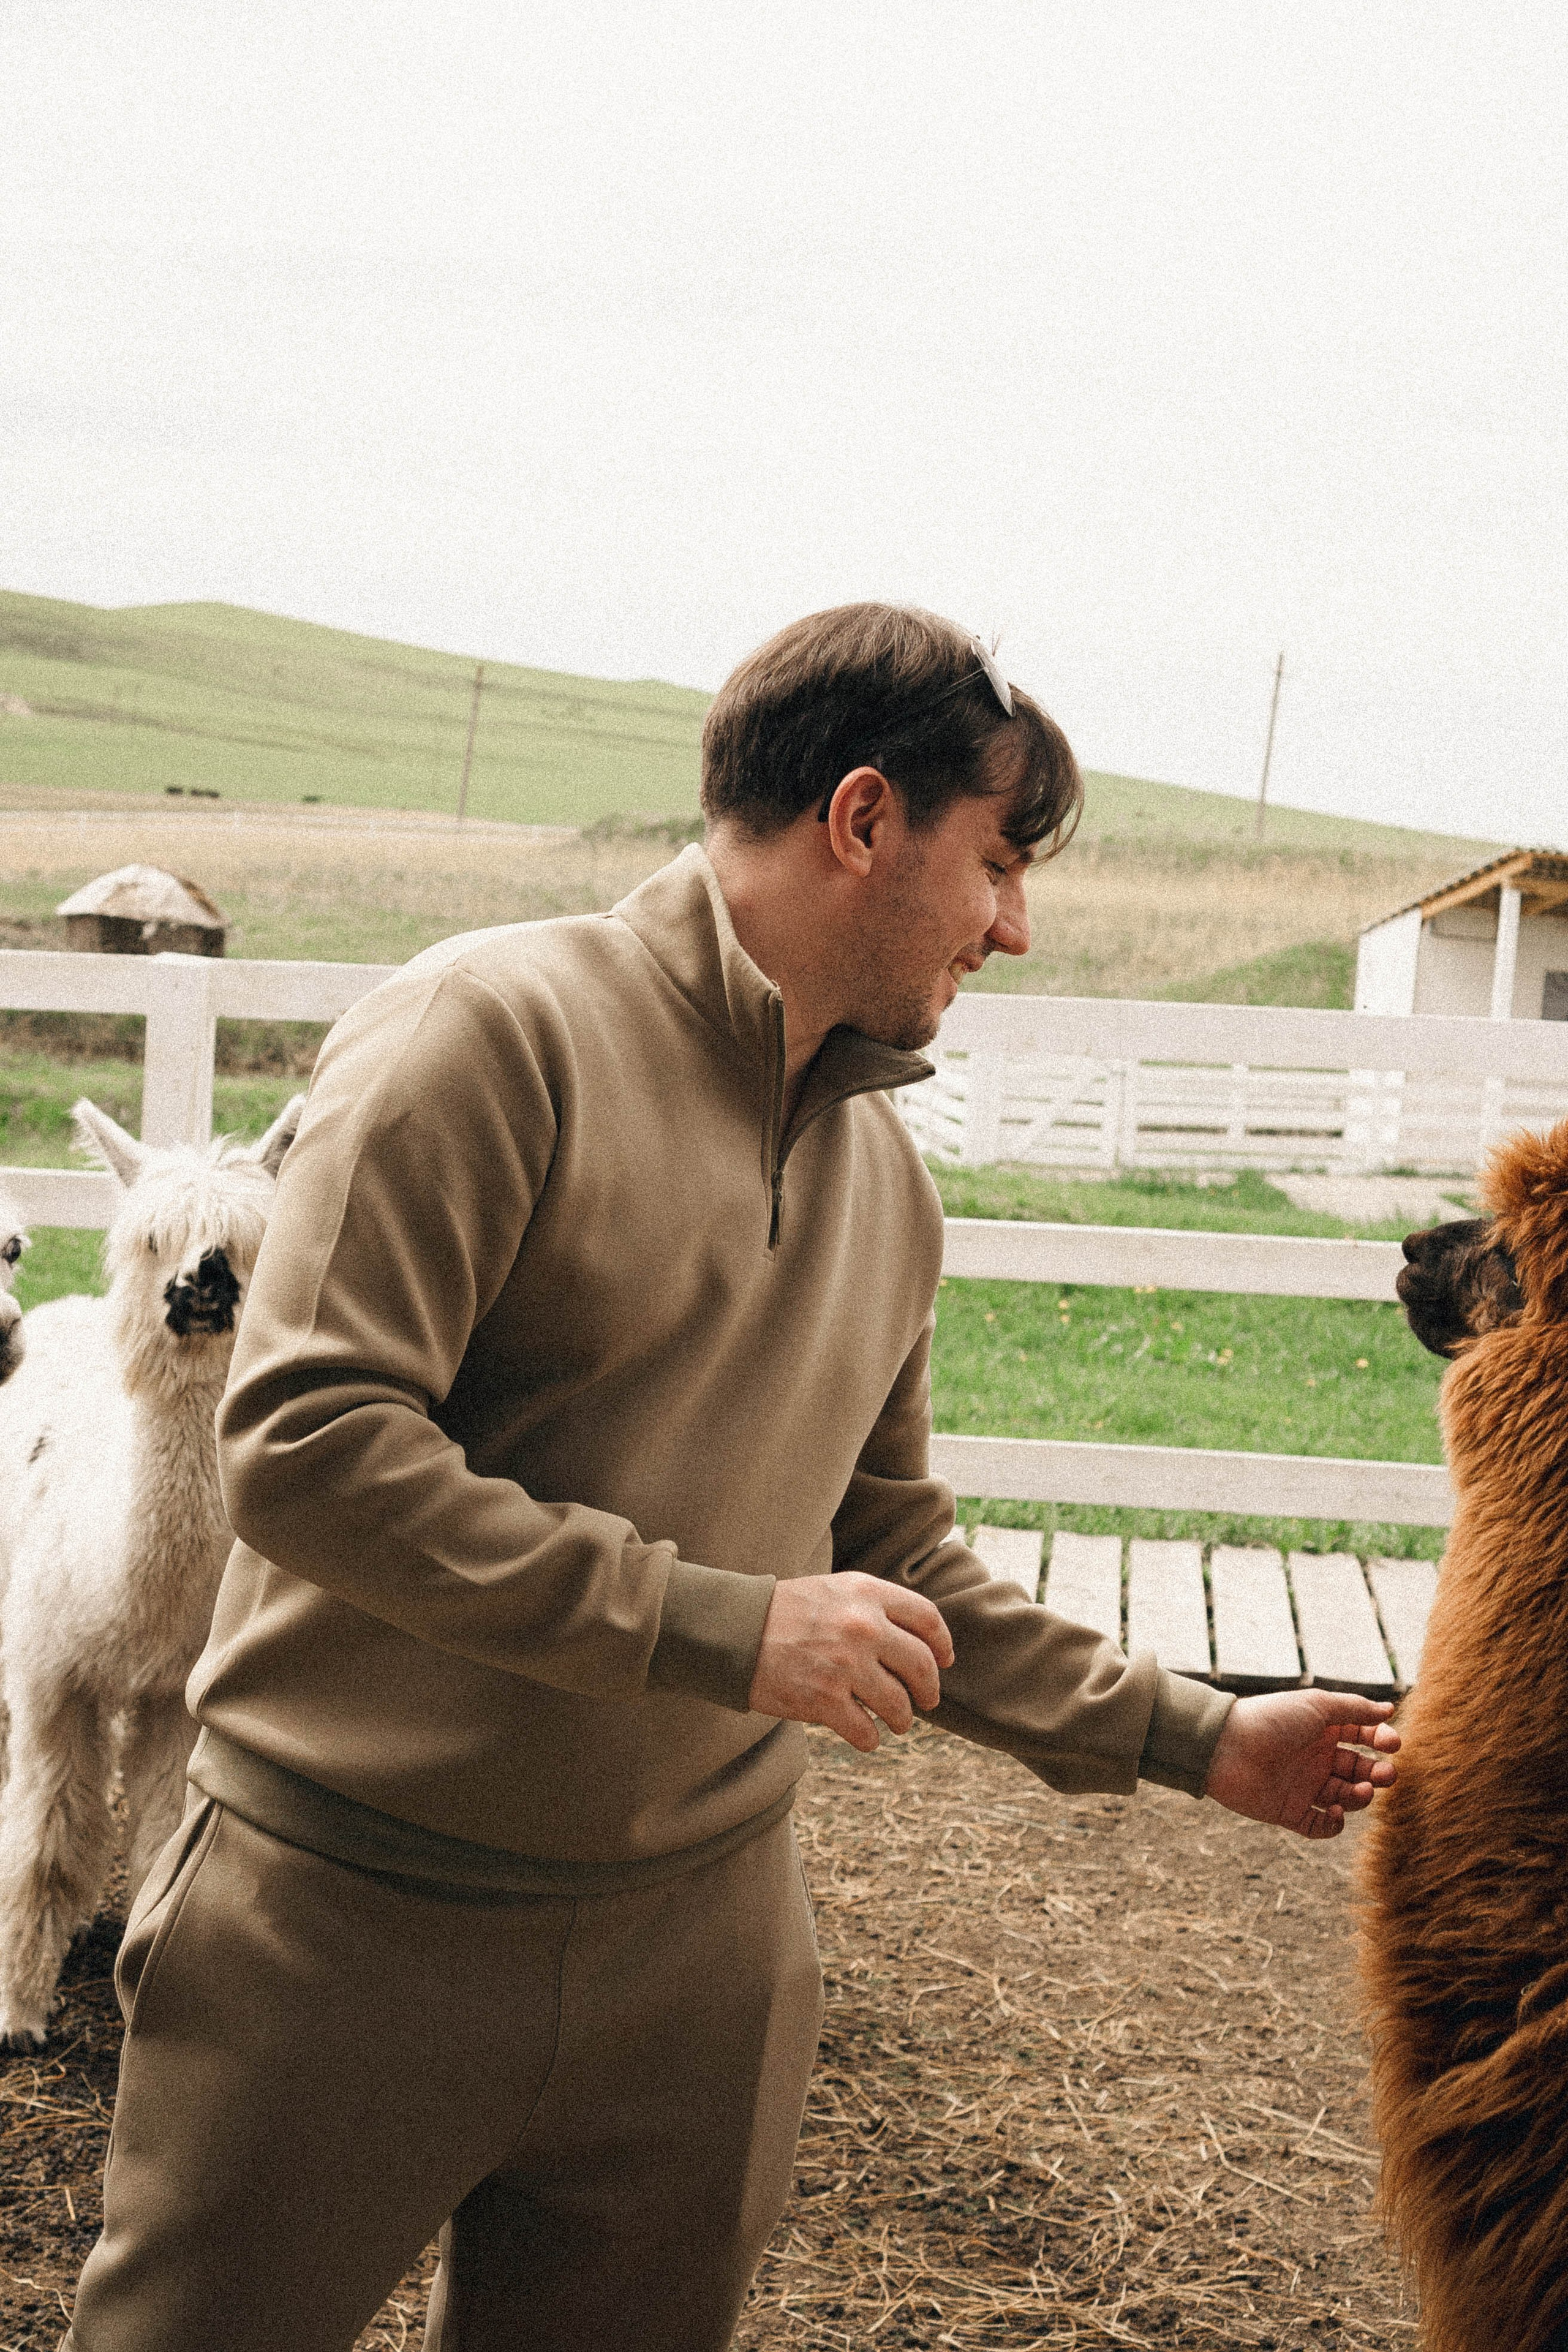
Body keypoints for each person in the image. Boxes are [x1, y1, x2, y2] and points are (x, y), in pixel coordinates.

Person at [61, 604, 1397, 2352]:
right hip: (344, 1923)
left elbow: (898, 1555)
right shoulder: (487, 1031)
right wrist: (720, 1624)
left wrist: (1195, 1736)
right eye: (997, 863)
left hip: (702, 1966)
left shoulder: (889, 1186)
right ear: (862, 821)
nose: (1015, 924)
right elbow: (310, 1448)